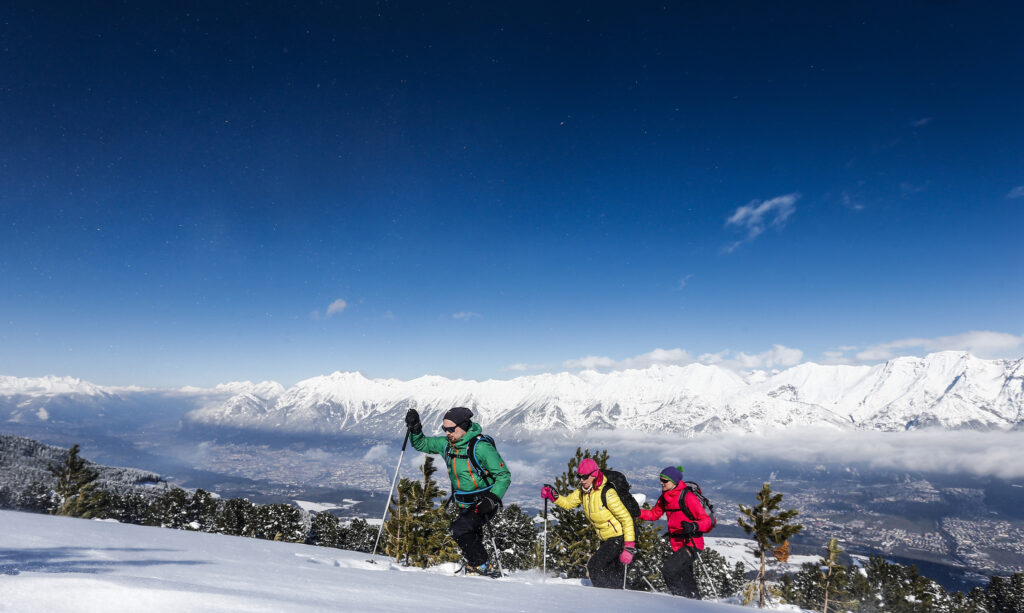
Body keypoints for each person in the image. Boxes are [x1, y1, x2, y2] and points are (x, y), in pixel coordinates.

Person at [404, 406, 511, 576]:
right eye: (444, 428)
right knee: (472, 535)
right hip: (463, 501)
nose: (447, 432)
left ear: (464, 426)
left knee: (459, 529)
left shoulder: (480, 447)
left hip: (483, 502)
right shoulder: (447, 445)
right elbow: (421, 443)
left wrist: (491, 499)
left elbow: (503, 476)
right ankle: (474, 567)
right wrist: (416, 428)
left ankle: (482, 566)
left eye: (451, 429)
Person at [540, 458, 636, 588]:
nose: (581, 480)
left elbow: (626, 519)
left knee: (594, 566)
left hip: (618, 537)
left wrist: (629, 547)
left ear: (594, 475)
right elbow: (568, 503)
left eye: (584, 477)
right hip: (606, 538)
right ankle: (620, 598)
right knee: (610, 573)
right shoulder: (584, 491)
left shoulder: (607, 493)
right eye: (579, 476)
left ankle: (606, 597)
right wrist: (553, 496)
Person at [638, 465, 713, 599]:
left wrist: (693, 526)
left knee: (669, 570)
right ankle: (695, 604)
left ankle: (680, 603)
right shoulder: (664, 497)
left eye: (665, 480)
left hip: (692, 543)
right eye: (660, 479)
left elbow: (706, 521)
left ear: (674, 481)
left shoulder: (688, 497)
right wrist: (636, 512)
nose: (661, 483)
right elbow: (654, 514)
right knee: (686, 579)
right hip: (677, 544)